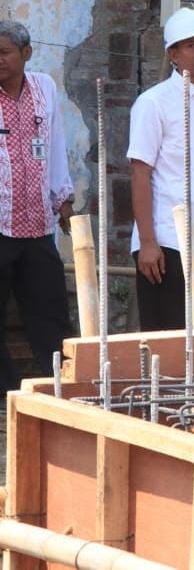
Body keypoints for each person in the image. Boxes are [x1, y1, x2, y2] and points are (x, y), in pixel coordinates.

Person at [129, 8, 194, 331]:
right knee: (169, 341)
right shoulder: (154, 103)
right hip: (168, 243)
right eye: (191, 46)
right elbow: (139, 173)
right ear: (173, 54)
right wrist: (147, 242)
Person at [0, 20, 74, 389]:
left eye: (4, 53)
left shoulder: (44, 88)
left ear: (26, 54)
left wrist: (63, 200)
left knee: (50, 309)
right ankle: (7, 392)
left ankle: (63, 383)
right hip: (0, 223)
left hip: (38, 223)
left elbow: (56, 145)